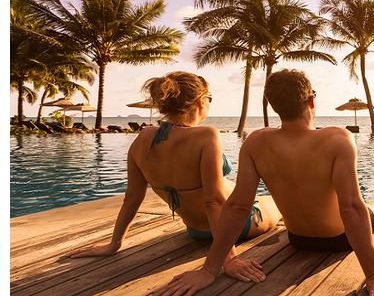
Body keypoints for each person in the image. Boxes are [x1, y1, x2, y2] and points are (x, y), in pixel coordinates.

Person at [149, 69, 374, 296]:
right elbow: (351, 209)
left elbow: (237, 207)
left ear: (273, 106)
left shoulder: (256, 142)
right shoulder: (337, 138)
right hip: (338, 242)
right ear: (311, 101)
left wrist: (209, 270)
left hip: (298, 239)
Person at [66, 71, 281, 283]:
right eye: (210, 99)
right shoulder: (207, 135)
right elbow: (213, 201)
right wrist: (230, 259)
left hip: (195, 230)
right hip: (235, 226)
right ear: (200, 102)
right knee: (278, 200)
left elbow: (131, 198)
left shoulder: (143, 139)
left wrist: (114, 244)